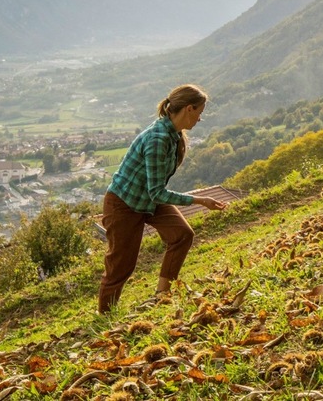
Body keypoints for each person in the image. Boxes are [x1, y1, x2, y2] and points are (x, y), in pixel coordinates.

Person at [97, 84, 227, 313]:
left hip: (147, 200)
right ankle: (105, 316)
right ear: (189, 108)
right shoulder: (158, 139)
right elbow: (156, 192)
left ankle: (162, 294)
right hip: (124, 204)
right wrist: (200, 200)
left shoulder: (174, 135)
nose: (200, 119)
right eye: (200, 113)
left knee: (182, 235)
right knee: (121, 266)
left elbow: (153, 191)